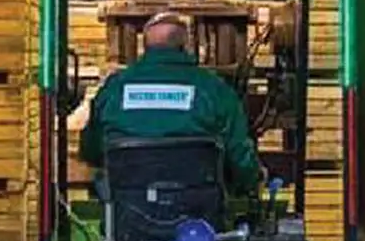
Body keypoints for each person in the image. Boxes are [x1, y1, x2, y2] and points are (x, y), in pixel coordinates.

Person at [79, 11, 263, 193]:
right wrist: (251, 183)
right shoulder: (215, 90)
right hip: (198, 212)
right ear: (186, 47)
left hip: (127, 212)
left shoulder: (114, 89)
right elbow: (239, 156)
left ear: (145, 47)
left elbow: (91, 150)